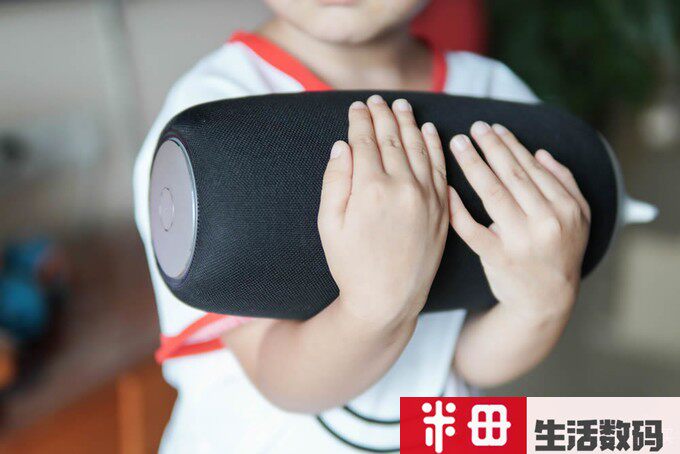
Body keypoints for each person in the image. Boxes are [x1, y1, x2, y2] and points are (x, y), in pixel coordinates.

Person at [133, 0, 590, 451]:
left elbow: (465, 358)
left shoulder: (493, 96)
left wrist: (540, 305)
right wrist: (373, 309)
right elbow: (277, 374)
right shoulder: (218, 115)